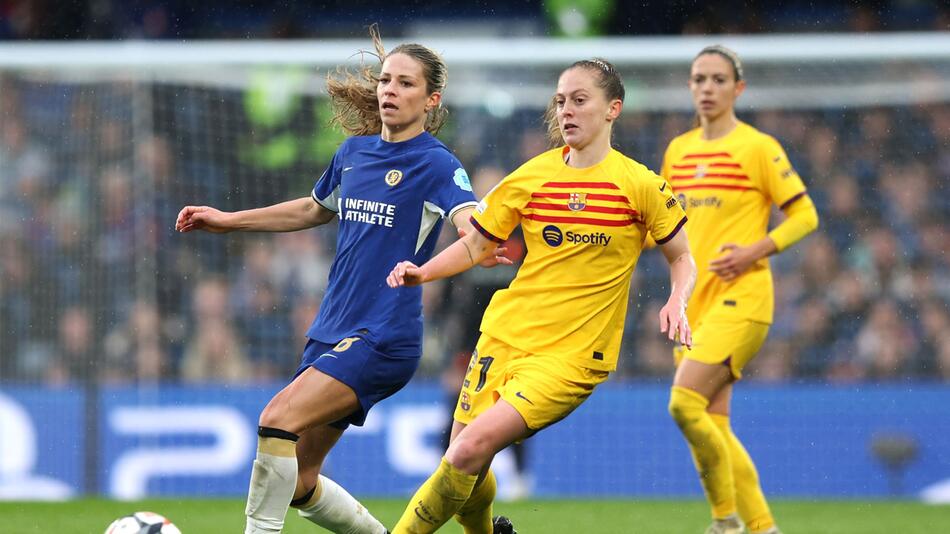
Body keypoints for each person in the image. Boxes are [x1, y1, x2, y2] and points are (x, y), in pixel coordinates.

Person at [176, 25, 508, 534]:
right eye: (386, 80)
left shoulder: (436, 164)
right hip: (333, 329)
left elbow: (472, 223)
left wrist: (477, 247)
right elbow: (312, 209)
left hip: (384, 334)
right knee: (301, 479)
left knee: (276, 418)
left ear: (431, 98)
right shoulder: (353, 154)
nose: (390, 91)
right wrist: (226, 219)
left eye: (405, 84)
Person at [386, 58, 697, 534]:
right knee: (467, 459)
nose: (566, 111)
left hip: (571, 357)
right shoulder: (533, 176)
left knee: (468, 451)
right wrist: (423, 272)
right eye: (560, 101)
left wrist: (678, 297)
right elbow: (476, 243)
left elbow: (682, 256)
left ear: (613, 108)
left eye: (579, 100)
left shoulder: (641, 185)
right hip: (503, 336)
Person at [660, 45, 819, 534]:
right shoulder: (678, 151)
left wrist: (756, 250)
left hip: (743, 298)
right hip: (694, 307)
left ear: (738, 89)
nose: (707, 88)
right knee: (716, 426)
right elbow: (665, 228)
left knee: (683, 404)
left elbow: (806, 216)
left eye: (718, 79)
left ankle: (724, 522)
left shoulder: (758, 147)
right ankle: (762, 527)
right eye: (699, 79)